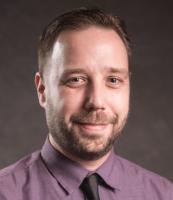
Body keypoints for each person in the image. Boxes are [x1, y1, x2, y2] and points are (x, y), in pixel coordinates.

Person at [0, 7, 172, 200]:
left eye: (113, 80)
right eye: (76, 79)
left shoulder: (164, 194)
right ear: (43, 90)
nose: (96, 101)